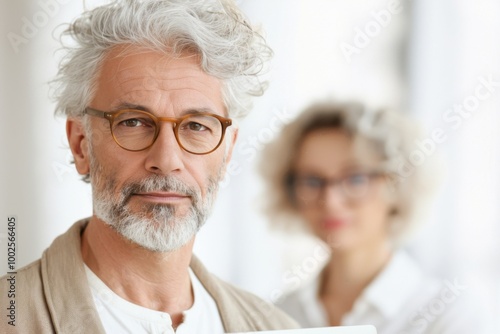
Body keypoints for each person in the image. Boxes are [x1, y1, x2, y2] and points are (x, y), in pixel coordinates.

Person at [0, 1, 299, 333]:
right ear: (81, 143)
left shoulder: (276, 328)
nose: (167, 160)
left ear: (227, 151)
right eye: (133, 122)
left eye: (197, 126)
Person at [259, 102, 491, 333]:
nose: (330, 200)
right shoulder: (278, 316)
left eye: (355, 178)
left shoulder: (450, 314)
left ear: (397, 185)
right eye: (312, 180)